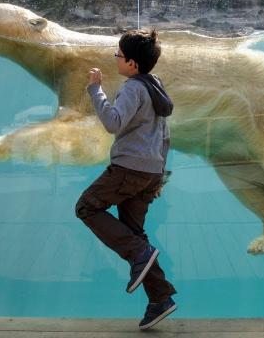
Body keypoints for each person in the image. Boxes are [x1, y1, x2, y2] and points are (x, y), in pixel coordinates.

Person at [75, 29, 176, 330]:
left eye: (118, 55)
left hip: (128, 168)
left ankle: (138, 254)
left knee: (87, 208)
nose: (116, 59)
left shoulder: (133, 87)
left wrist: (96, 89)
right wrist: (159, 175)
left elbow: (113, 122)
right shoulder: (156, 87)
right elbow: (165, 137)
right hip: (150, 171)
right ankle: (160, 298)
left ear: (132, 64)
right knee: (134, 232)